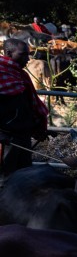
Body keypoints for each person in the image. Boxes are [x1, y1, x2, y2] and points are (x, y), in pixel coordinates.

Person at [0, 38, 49, 175]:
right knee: (5, 178)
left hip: (22, 135)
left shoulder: (21, 75)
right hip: (6, 139)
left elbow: (28, 104)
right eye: (23, 54)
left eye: (28, 54)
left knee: (24, 175)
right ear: (9, 53)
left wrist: (36, 126)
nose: (28, 59)